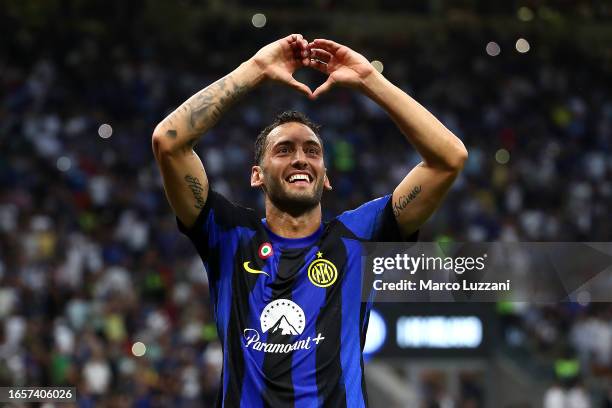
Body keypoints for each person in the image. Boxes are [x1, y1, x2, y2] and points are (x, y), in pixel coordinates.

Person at [152, 34, 467, 407]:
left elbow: (450, 157)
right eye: (283, 150)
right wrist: (255, 69)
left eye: (312, 152)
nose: (300, 159)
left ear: (326, 176)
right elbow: (168, 142)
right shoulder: (229, 235)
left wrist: (370, 79)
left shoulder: (359, 236)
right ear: (257, 175)